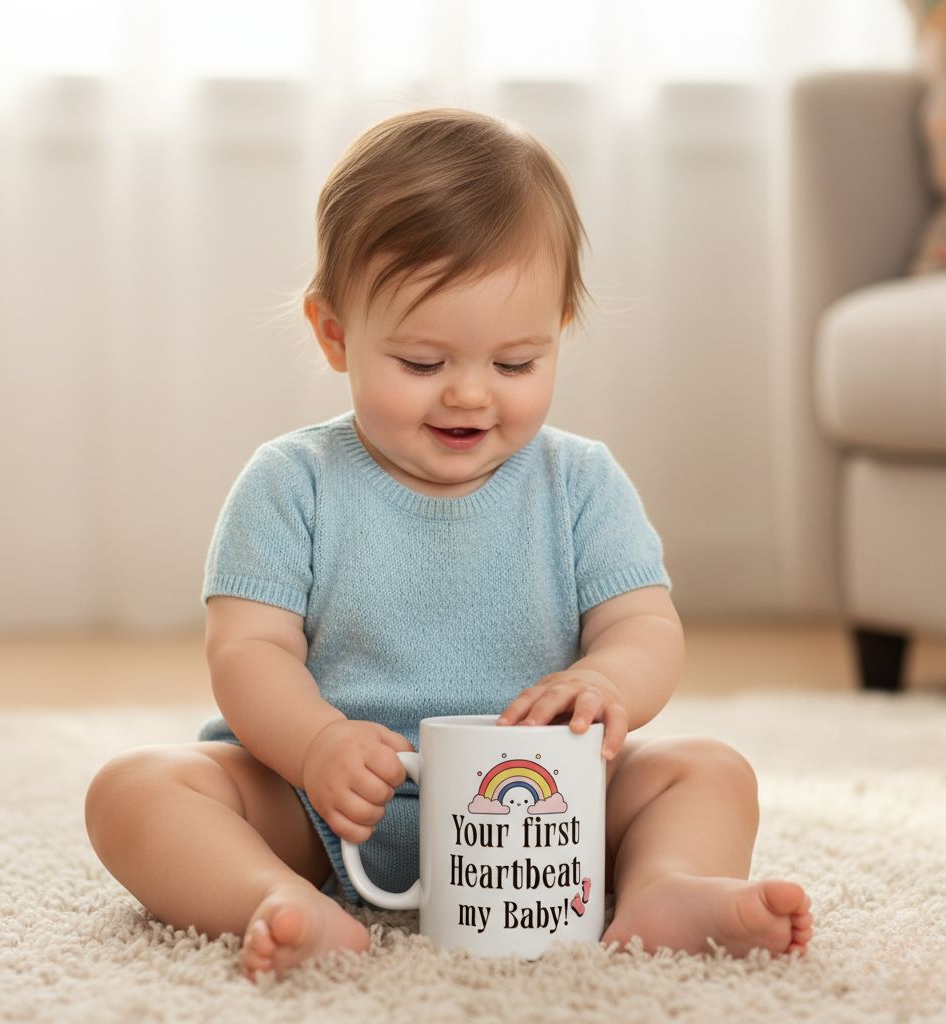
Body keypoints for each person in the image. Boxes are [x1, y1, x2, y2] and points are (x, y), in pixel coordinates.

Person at [84, 108, 813, 980]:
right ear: (335, 335)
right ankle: (276, 898)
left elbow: (647, 628)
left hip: (543, 811)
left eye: (515, 365)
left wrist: (603, 682)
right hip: (327, 809)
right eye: (423, 365)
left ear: (560, 331)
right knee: (135, 789)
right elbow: (247, 650)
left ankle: (666, 887)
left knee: (708, 770)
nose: (470, 395)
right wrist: (315, 745)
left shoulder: (579, 483)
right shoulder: (291, 482)